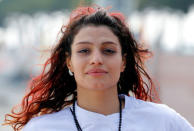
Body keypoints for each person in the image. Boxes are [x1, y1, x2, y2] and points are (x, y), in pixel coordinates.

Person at [4, 6, 193, 131]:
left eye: (108, 50)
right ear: (69, 62)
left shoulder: (162, 122)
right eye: (84, 50)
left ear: (123, 62)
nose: (96, 59)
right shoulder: (42, 129)